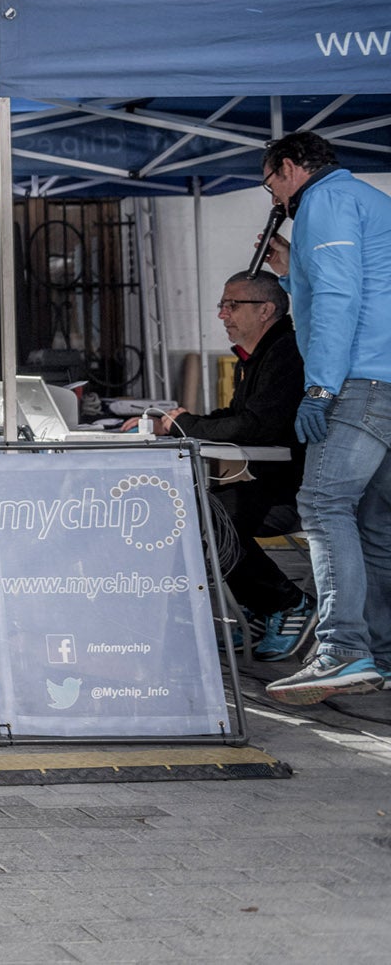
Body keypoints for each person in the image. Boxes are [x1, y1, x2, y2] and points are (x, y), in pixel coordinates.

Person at [259, 131, 391, 704]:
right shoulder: (368, 200)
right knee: (373, 523)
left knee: (323, 503)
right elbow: (363, 286)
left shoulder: (324, 201)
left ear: (290, 167)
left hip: (360, 380)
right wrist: (292, 275)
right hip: (385, 376)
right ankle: (380, 656)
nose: (274, 201)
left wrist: (319, 387)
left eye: (270, 185)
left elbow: (340, 298)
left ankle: (341, 648)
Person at [122, 270, 314, 660]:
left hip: (288, 486)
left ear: (266, 310)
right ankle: (260, 606)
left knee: (206, 522)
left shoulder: (287, 353)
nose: (223, 315)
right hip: (259, 479)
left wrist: (186, 424)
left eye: (232, 305)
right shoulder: (259, 354)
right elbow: (237, 415)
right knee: (187, 514)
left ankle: (287, 602)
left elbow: (259, 425)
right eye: (221, 306)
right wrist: (174, 425)